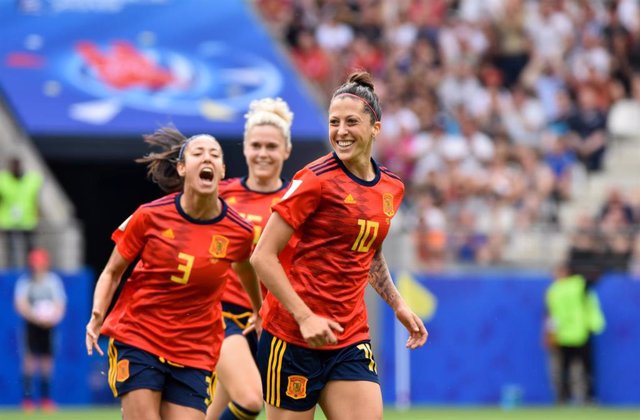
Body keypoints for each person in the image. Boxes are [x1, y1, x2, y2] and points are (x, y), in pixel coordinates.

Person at [250, 71, 429, 420]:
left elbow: (369, 253)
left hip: (350, 336)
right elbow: (262, 257)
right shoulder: (313, 180)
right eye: (334, 122)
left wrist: (398, 304)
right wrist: (305, 318)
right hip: (291, 337)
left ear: (375, 127)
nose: (341, 131)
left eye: (351, 122)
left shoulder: (391, 188)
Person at [85, 127, 262, 420]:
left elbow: (246, 269)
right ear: (181, 168)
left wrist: (259, 310)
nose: (207, 158)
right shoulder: (149, 216)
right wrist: (97, 313)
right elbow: (112, 272)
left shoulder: (239, 231)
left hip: (195, 348)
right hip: (139, 335)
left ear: (222, 169)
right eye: (198, 153)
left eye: (214, 154)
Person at [206, 97, 293, 420]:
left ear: (286, 150)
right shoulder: (220, 195)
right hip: (222, 315)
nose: (263, 153)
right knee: (249, 401)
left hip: (275, 321)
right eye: (256, 145)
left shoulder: (297, 200)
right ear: (244, 148)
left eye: (272, 146)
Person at [14, 248, 66, 413]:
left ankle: (46, 399)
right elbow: (20, 304)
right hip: (31, 327)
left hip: (48, 327)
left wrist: (51, 318)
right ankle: (28, 400)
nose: (37, 268)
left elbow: (60, 304)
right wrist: (35, 317)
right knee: (29, 362)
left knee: (47, 363)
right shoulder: (25, 282)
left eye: (39, 264)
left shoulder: (53, 281)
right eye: (34, 264)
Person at [545, 263, 606, 405]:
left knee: (580, 368)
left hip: (577, 333)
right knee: (570, 369)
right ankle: (569, 397)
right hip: (570, 334)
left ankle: (582, 397)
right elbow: (551, 314)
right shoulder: (558, 289)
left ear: (566, 272)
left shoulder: (574, 286)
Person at [0, 156, 43, 268]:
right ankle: (12, 270)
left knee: (29, 249)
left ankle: (31, 268)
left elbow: (36, 200)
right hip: (8, 221)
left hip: (27, 221)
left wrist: (37, 217)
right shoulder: (3, 180)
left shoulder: (31, 180)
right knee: (11, 250)